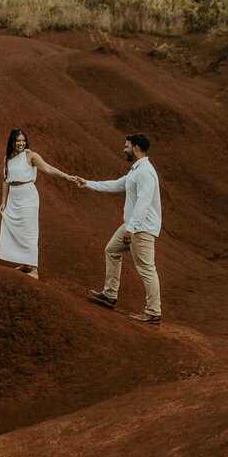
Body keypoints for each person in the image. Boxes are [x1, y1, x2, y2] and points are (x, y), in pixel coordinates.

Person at [73, 133, 162, 324]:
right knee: (112, 251)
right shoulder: (136, 170)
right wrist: (87, 183)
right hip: (132, 224)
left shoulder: (145, 172)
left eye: (127, 146)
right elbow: (116, 184)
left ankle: (153, 312)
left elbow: (143, 203)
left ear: (136, 147)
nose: (124, 149)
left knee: (146, 268)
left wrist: (131, 228)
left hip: (140, 227)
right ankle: (110, 294)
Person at [0, 128, 75, 280]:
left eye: (22, 140)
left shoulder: (31, 155)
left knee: (29, 232)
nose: (20, 143)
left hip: (28, 196)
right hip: (14, 197)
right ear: (12, 142)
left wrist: (66, 176)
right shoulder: (7, 158)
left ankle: (34, 269)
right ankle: (26, 264)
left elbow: (48, 168)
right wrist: (3, 201)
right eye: (18, 140)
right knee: (17, 230)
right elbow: (5, 181)